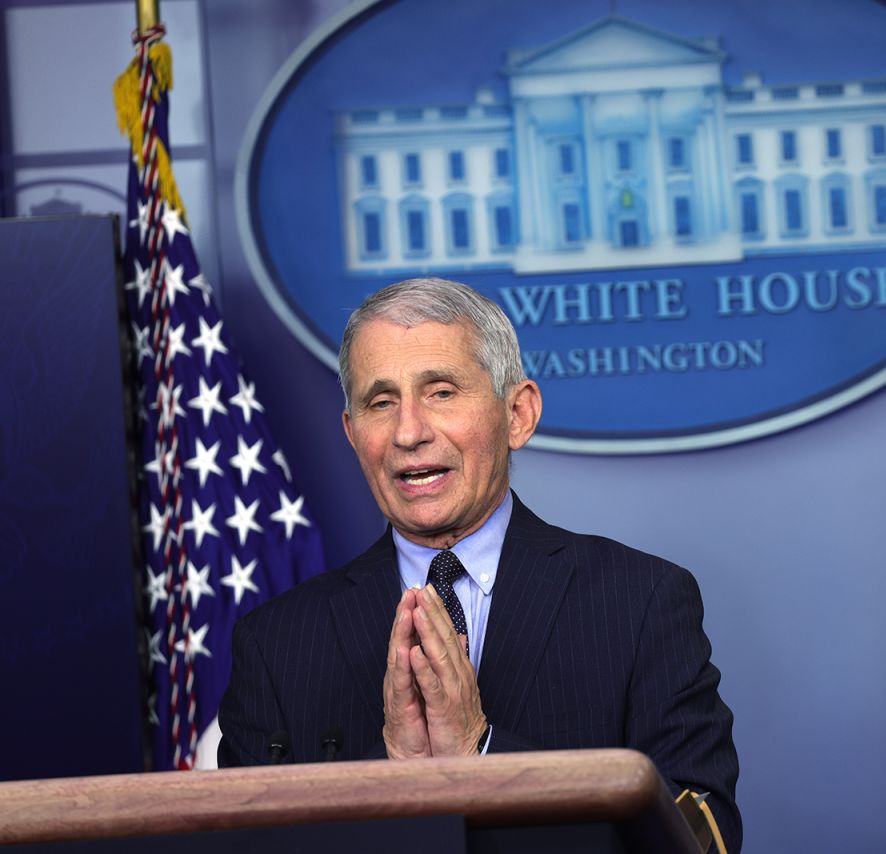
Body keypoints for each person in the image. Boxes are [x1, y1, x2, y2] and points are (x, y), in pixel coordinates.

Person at [218, 277, 741, 850]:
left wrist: (482, 753)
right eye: (381, 402)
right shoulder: (276, 643)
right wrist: (392, 771)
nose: (409, 432)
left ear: (518, 414)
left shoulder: (640, 603)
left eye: (441, 392)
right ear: (351, 432)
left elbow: (699, 841)